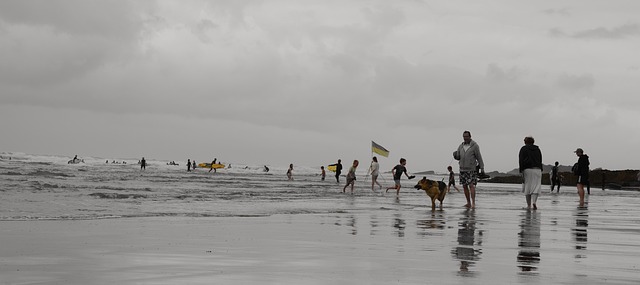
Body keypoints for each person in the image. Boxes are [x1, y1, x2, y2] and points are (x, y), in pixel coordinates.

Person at [453, 130, 485, 208]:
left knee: (471, 185)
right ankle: (468, 203)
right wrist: (455, 155)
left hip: (471, 169)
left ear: (470, 137)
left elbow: (479, 157)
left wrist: (482, 168)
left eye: (467, 136)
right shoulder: (461, 146)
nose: (465, 138)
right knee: (464, 186)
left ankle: (473, 203)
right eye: (464, 137)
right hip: (462, 169)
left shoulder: (474, 146)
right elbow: (458, 156)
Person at [519, 136, 543, 210]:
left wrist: (521, 170)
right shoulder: (537, 149)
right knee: (536, 186)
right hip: (538, 169)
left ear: (525, 142)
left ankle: (529, 205)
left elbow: (521, 160)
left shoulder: (523, 148)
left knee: (528, 187)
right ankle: (534, 202)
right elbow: (540, 159)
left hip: (527, 169)